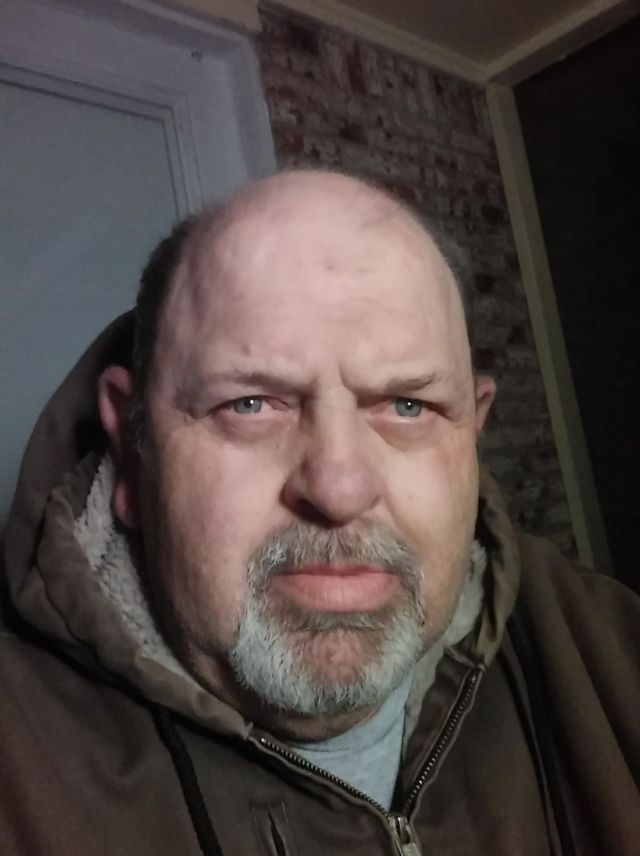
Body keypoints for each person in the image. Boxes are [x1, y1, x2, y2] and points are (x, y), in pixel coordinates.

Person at [1, 170, 638, 856]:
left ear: (472, 432)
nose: (337, 488)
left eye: (408, 406)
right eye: (249, 404)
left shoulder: (611, 656)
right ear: (133, 451)